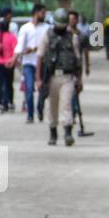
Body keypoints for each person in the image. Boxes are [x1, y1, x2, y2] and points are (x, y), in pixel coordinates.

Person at [36, 8, 83, 147]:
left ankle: (68, 133)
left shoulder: (72, 37)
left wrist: (79, 79)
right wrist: (38, 79)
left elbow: (77, 60)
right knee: (52, 106)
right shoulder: (47, 35)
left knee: (66, 104)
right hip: (51, 77)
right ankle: (53, 133)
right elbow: (40, 57)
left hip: (67, 77)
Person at [14, 3, 49, 123]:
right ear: (36, 13)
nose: (44, 15)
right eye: (43, 13)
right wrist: (14, 58)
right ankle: (30, 114)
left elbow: (49, 46)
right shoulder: (25, 28)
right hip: (28, 63)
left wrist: (34, 48)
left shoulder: (47, 28)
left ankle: (40, 107)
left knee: (43, 90)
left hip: (43, 63)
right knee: (29, 88)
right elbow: (20, 45)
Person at [68, 10, 95, 137]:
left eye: (73, 19)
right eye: (70, 19)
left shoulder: (82, 35)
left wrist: (87, 66)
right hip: (66, 67)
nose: (71, 21)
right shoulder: (64, 34)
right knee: (70, 92)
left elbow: (85, 52)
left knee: (76, 90)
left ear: (77, 20)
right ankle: (72, 114)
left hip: (77, 67)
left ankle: (73, 113)